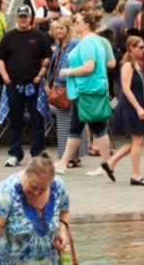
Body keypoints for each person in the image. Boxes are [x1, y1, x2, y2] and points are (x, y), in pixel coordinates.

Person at [0, 152, 69, 265]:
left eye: (43, 189)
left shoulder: (58, 186)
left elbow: (65, 211)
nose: (37, 192)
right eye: (33, 186)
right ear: (26, 171)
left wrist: (61, 230)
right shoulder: (5, 193)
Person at [53, 11, 112, 177]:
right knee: (78, 126)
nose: (74, 24)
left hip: (86, 90)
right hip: (86, 90)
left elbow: (88, 67)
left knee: (96, 127)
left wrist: (68, 71)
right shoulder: (94, 40)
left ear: (86, 25)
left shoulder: (87, 42)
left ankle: (106, 164)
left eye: (77, 21)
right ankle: (64, 162)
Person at [0, 4, 52, 167]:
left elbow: (47, 57)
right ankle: (15, 154)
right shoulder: (9, 36)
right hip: (14, 84)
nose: (22, 19)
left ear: (30, 18)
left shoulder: (39, 36)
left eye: (25, 16)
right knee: (15, 120)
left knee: (37, 119)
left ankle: (38, 152)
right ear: (16, 18)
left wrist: (40, 75)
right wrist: (5, 77)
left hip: (34, 84)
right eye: (20, 16)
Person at [103, 35, 144, 186]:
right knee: (137, 140)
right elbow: (125, 89)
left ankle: (111, 162)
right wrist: (138, 108)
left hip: (136, 105)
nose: (143, 50)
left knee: (137, 140)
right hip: (131, 106)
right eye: (140, 47)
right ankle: (136, 175)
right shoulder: (127, 65)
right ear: (131, 48)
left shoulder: (138, 64)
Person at [45, 16, 87, 168]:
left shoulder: (74, 43)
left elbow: (78, 62)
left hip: (69, 86)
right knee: (65, 122)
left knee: (70, 122)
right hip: (60, 86)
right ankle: (70, 157)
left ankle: (70, 158)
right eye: (57, 28)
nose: (58, 31)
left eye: (62, 28)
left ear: (69, 29)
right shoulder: (59, 45)